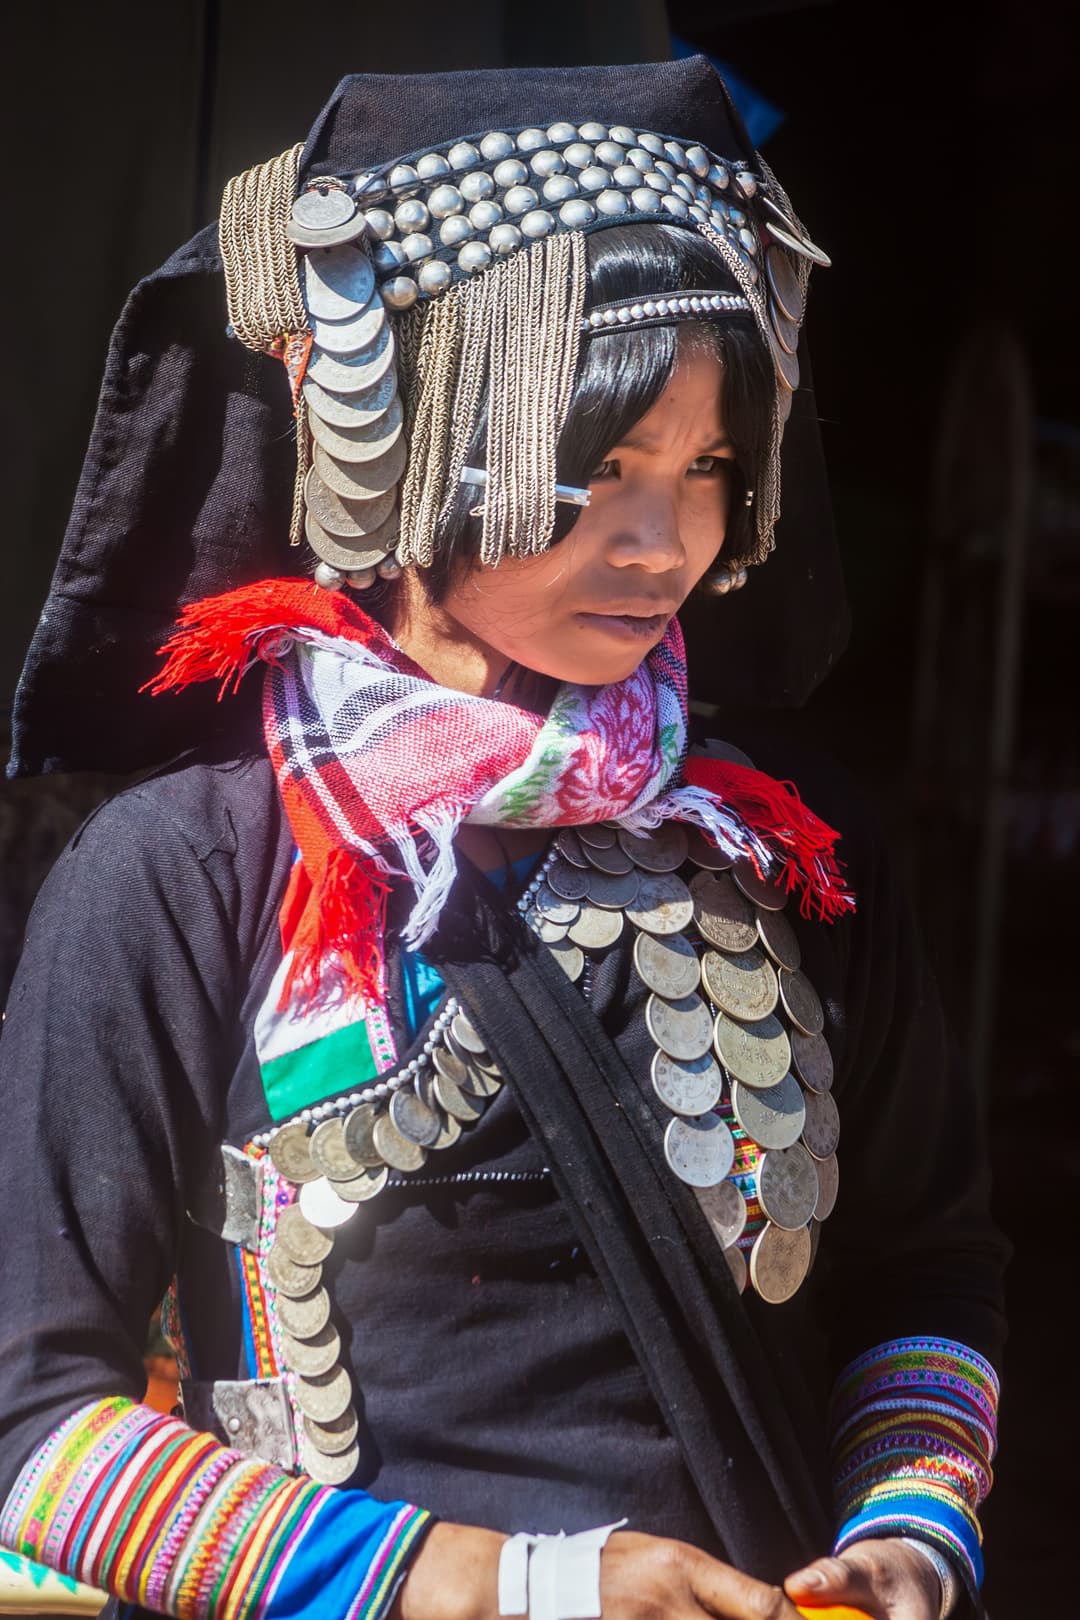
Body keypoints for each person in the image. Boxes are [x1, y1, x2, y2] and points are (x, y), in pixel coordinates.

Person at [0, 56, 1004, 1620]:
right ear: (401, 443)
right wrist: (516, 1586)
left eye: (710, 469)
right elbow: (36, 1434)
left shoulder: (789, 851)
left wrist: (910, 1527)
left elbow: (924, 1271)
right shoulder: (183, 874)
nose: (665, 542)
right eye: (599, 467)